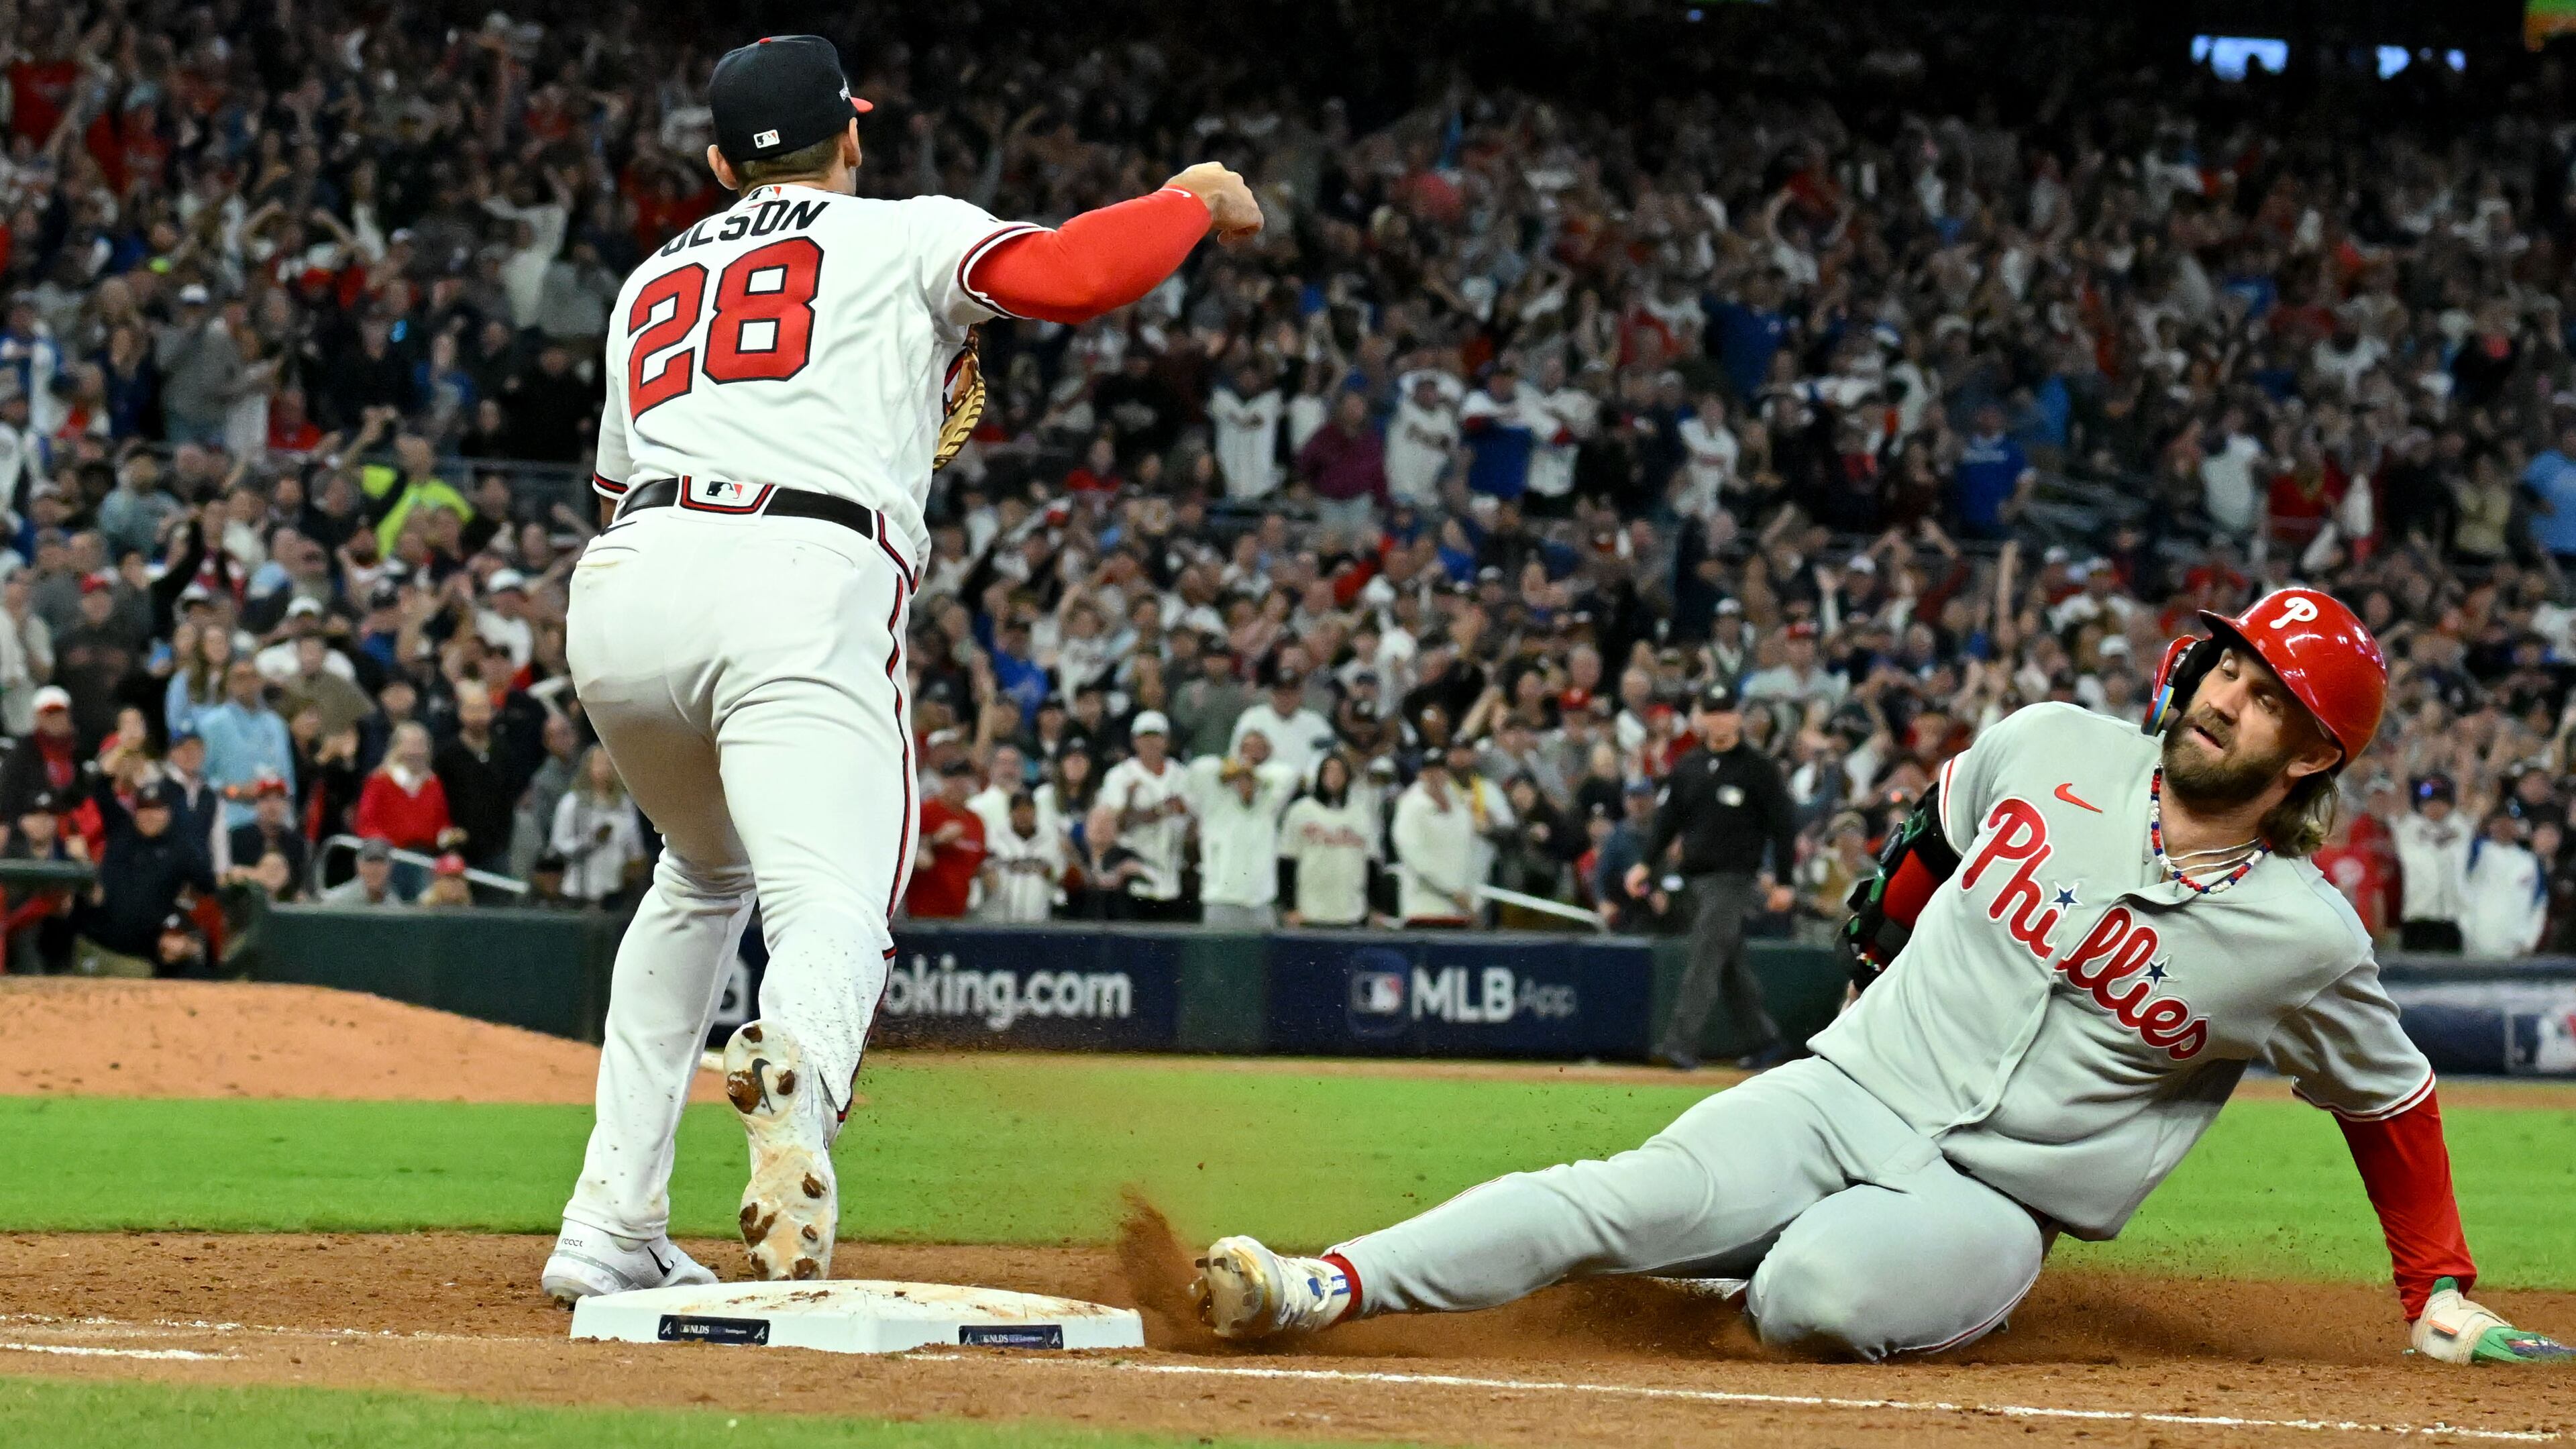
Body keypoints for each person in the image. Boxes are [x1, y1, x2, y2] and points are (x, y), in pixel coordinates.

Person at [1187, 589, 2573, 1369]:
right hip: (1845, 1092)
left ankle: (1746, 1268)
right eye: (2232, 666)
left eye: (2272, 699)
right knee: (1608, 1195)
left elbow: (2392, 1103)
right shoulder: (2054, 743)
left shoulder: (2304, 935)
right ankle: (1318, 1286)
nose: (2227, 697)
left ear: (2312, 757)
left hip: (1997, 1199)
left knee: (1817, 1302)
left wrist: (2433, 1287)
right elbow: (1930, 836)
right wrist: (1876, 946)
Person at [547, 32, 1261, 1301]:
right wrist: (1188, 198)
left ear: (720, 163)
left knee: (699, 876)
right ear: (853, 137)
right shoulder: (901, 231)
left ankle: (609, 1223)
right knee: (830, 903)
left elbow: (612, 480)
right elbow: (1076, 275)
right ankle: (802, 1088)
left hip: (627, 577)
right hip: (798, 570)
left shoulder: (651, 276)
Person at [1627, 682, 1800, 1071]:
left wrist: (1786, 880)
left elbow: (1784, 826)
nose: (1720, 720)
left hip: (1733, 880)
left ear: (1737, 717)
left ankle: (1680, 1042)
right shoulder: (1688, 766)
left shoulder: (1757, 768)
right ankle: (1765, 1040)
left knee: (1706, 953)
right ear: (1701, 718)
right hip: (1694, 881)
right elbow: (1667, 821)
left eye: (1726, 712)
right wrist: (1645, 863)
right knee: (1727, 960)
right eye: (1712, 712)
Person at [75, 780, 217, 978]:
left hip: (144, 956)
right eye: (143, 808)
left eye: (157, 808)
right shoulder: (121, 830)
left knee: (198, 976)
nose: (149, 815)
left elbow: (209, 887)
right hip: (96, 945)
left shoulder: (181, 850)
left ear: (169, 812)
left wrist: (190, 941)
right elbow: (101, 786)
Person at [1096, 711, 1196, 922]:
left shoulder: (1182, 776)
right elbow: (1114, 827)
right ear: (1134, 741)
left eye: (1157, 736)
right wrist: (1149, 809)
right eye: (1145, 737)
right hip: (1134, 879)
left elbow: (1193, 824)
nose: (1151, 742)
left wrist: (1183, 811)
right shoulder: (1120, 776)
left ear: (1167, 741)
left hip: (1172, 878)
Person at [1189, 735, 1296, 929]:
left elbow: (1288, 775)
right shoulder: (1216, 801)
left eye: (1259, 748)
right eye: (1246, 748)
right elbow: (1200, 768)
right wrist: (1236, 769)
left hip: (1261, 901)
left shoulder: (1267, 804)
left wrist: (1251, 773)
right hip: (1220, 899)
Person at [1277, 753, 1375, 927]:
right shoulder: (1301, 811)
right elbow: (1287, 861)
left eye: (1339, 772)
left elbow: (1372, 862)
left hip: (1351, 912)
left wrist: (1375, 908)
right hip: (1310, 912)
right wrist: (1289, 907)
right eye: (1329, 772)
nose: (1334, 777)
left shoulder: (1361, 814)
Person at [549, 745, 645, 906]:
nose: (604, 769)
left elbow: (635, 848)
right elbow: (558, 845)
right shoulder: (572, 803)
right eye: (599, 763)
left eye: (609, 763)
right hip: (579, 890)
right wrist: (591, 841)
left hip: (614, 889)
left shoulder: (625, 805)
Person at [2392, 776, 2470, 953]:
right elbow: (2400, 793)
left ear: (2450, 805)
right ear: (2421, 805)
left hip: (2450, 920)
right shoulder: (2409, 828)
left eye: (2440, 802)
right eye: (2430, 802)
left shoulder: (2460, 827)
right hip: (2416, 919)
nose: (2434, 806)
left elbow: (2467, 789)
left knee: (2451, 978)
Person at [904, 761, 988, 919]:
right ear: (942, 781)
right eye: (953, 779)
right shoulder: (925, 811)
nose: (959, 785)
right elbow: (904, 851)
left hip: (959, 914)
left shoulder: (976, 821)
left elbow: (977, 864)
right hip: (922, 915)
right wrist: (935, 840)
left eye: (964, 780)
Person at [2459, 812, 2544, 959]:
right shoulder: (2478, 851)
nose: (2504, 828)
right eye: (2499, 823)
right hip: (2477, 945)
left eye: (2509, 823)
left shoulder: (2530, 861)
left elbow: (2540, 905)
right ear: (2491, 826)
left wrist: (2529, 942)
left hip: (2514, 948)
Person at [977, 791, 1065, 923]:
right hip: (996, 921)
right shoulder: (993, 840)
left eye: (1028, 810)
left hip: (1038, 920)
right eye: (1018, 810)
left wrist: (1050, 873)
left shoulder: (1050, 842)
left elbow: (1060, 878)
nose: (1023, 815)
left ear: (1035, 812)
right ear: (1010, 813)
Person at [321, 838, 409, 908]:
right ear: (359, 866)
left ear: (390, 867)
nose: (374, 869)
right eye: (369, 862)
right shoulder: (336, 902)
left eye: (380, 862)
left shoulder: (395, 905)